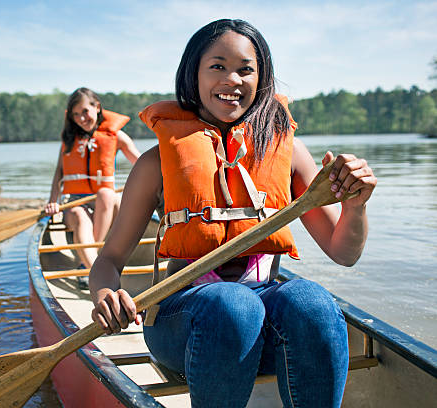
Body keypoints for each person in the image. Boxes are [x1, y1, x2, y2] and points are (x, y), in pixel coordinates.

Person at [89, 19, 377, 408]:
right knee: (232, 305)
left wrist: (354, 207)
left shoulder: (287, 152)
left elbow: (344, 253)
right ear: (194, 74)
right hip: (183, 323)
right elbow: (108, 260)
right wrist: (107, 294)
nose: (233, 80)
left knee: (312, 300)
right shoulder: (155, 162)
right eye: (217, 66)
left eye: (246, 69)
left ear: (262, 79)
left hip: (265, 320)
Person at [45, 87, 140, 289]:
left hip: (107, 205)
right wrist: (53, 200)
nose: (81, 118)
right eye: (76, 114)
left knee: (105, 194)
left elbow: (141, 165)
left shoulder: (117, 136)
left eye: (85, 111)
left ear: (97, 107)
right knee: (79, 216)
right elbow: (59, 173)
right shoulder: (69, 140)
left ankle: (88, 263)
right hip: (76, 203)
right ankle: (97, 269)